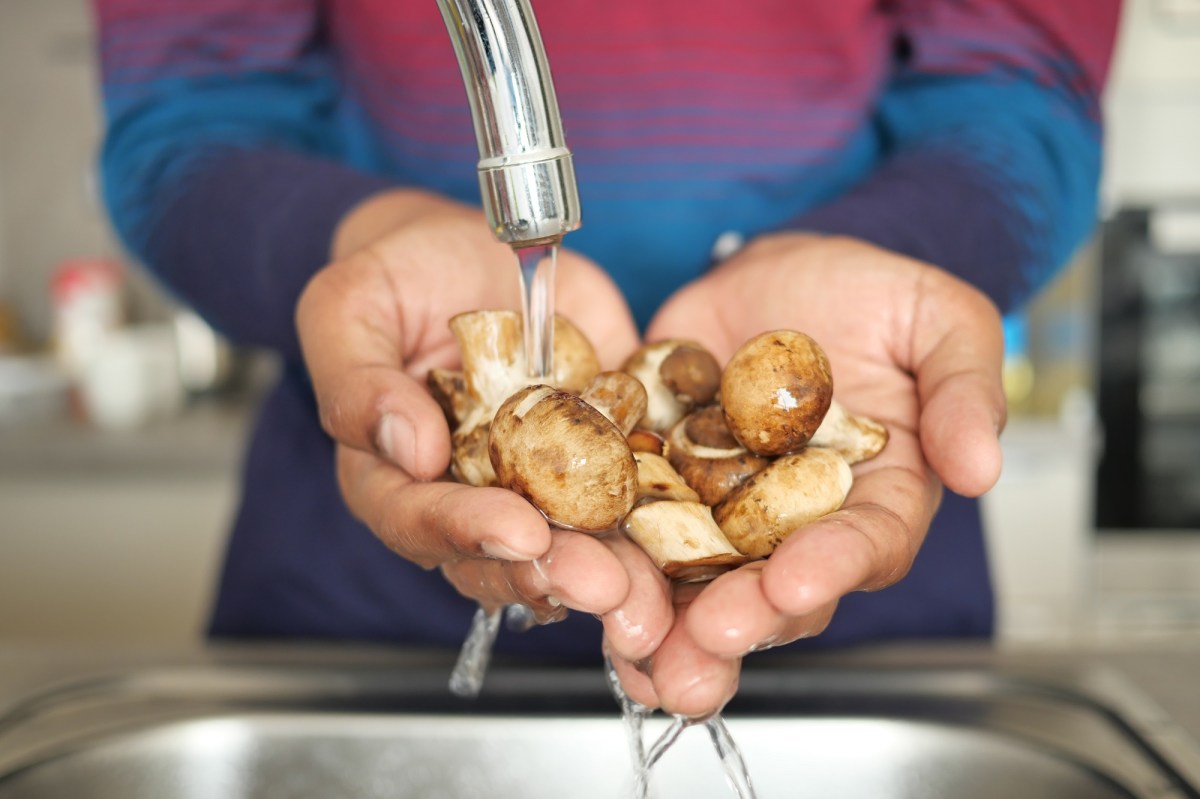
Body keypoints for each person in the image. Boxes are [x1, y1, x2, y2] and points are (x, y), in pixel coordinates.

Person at [91, 0, 1120, 718]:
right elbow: (186, 117)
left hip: (869, 628)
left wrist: (900, 252)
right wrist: (363, 238)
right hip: (354, 604)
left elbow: (1021, 85)